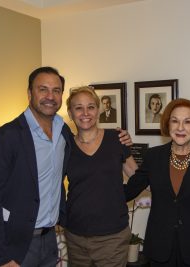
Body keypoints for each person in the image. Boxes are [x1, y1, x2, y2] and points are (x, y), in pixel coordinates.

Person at [0, 67, 132, 267]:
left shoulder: (63, 132)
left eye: (56, 90)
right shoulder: (8, 137)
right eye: (43, 89)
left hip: (50, 240)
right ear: (29, 93)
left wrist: (123, 141)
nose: (50, 96)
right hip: (17, 245)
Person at [125, 98, 190, 266]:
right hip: (159, 249)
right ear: (168, 125)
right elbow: (128, 191)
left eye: (188, 122)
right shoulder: (153, 156)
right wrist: (118, 149)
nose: (180, 127)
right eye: (174, 121)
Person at [64, 86, 138, 266]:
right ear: (70, 112)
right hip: (75, 236)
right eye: (78, 107)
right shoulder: (65, 147)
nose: (85, 113)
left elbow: (137, 178)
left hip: (112, 237)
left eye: (91, 107)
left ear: (98, 110)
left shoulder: (116, 139)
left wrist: (118, 197)